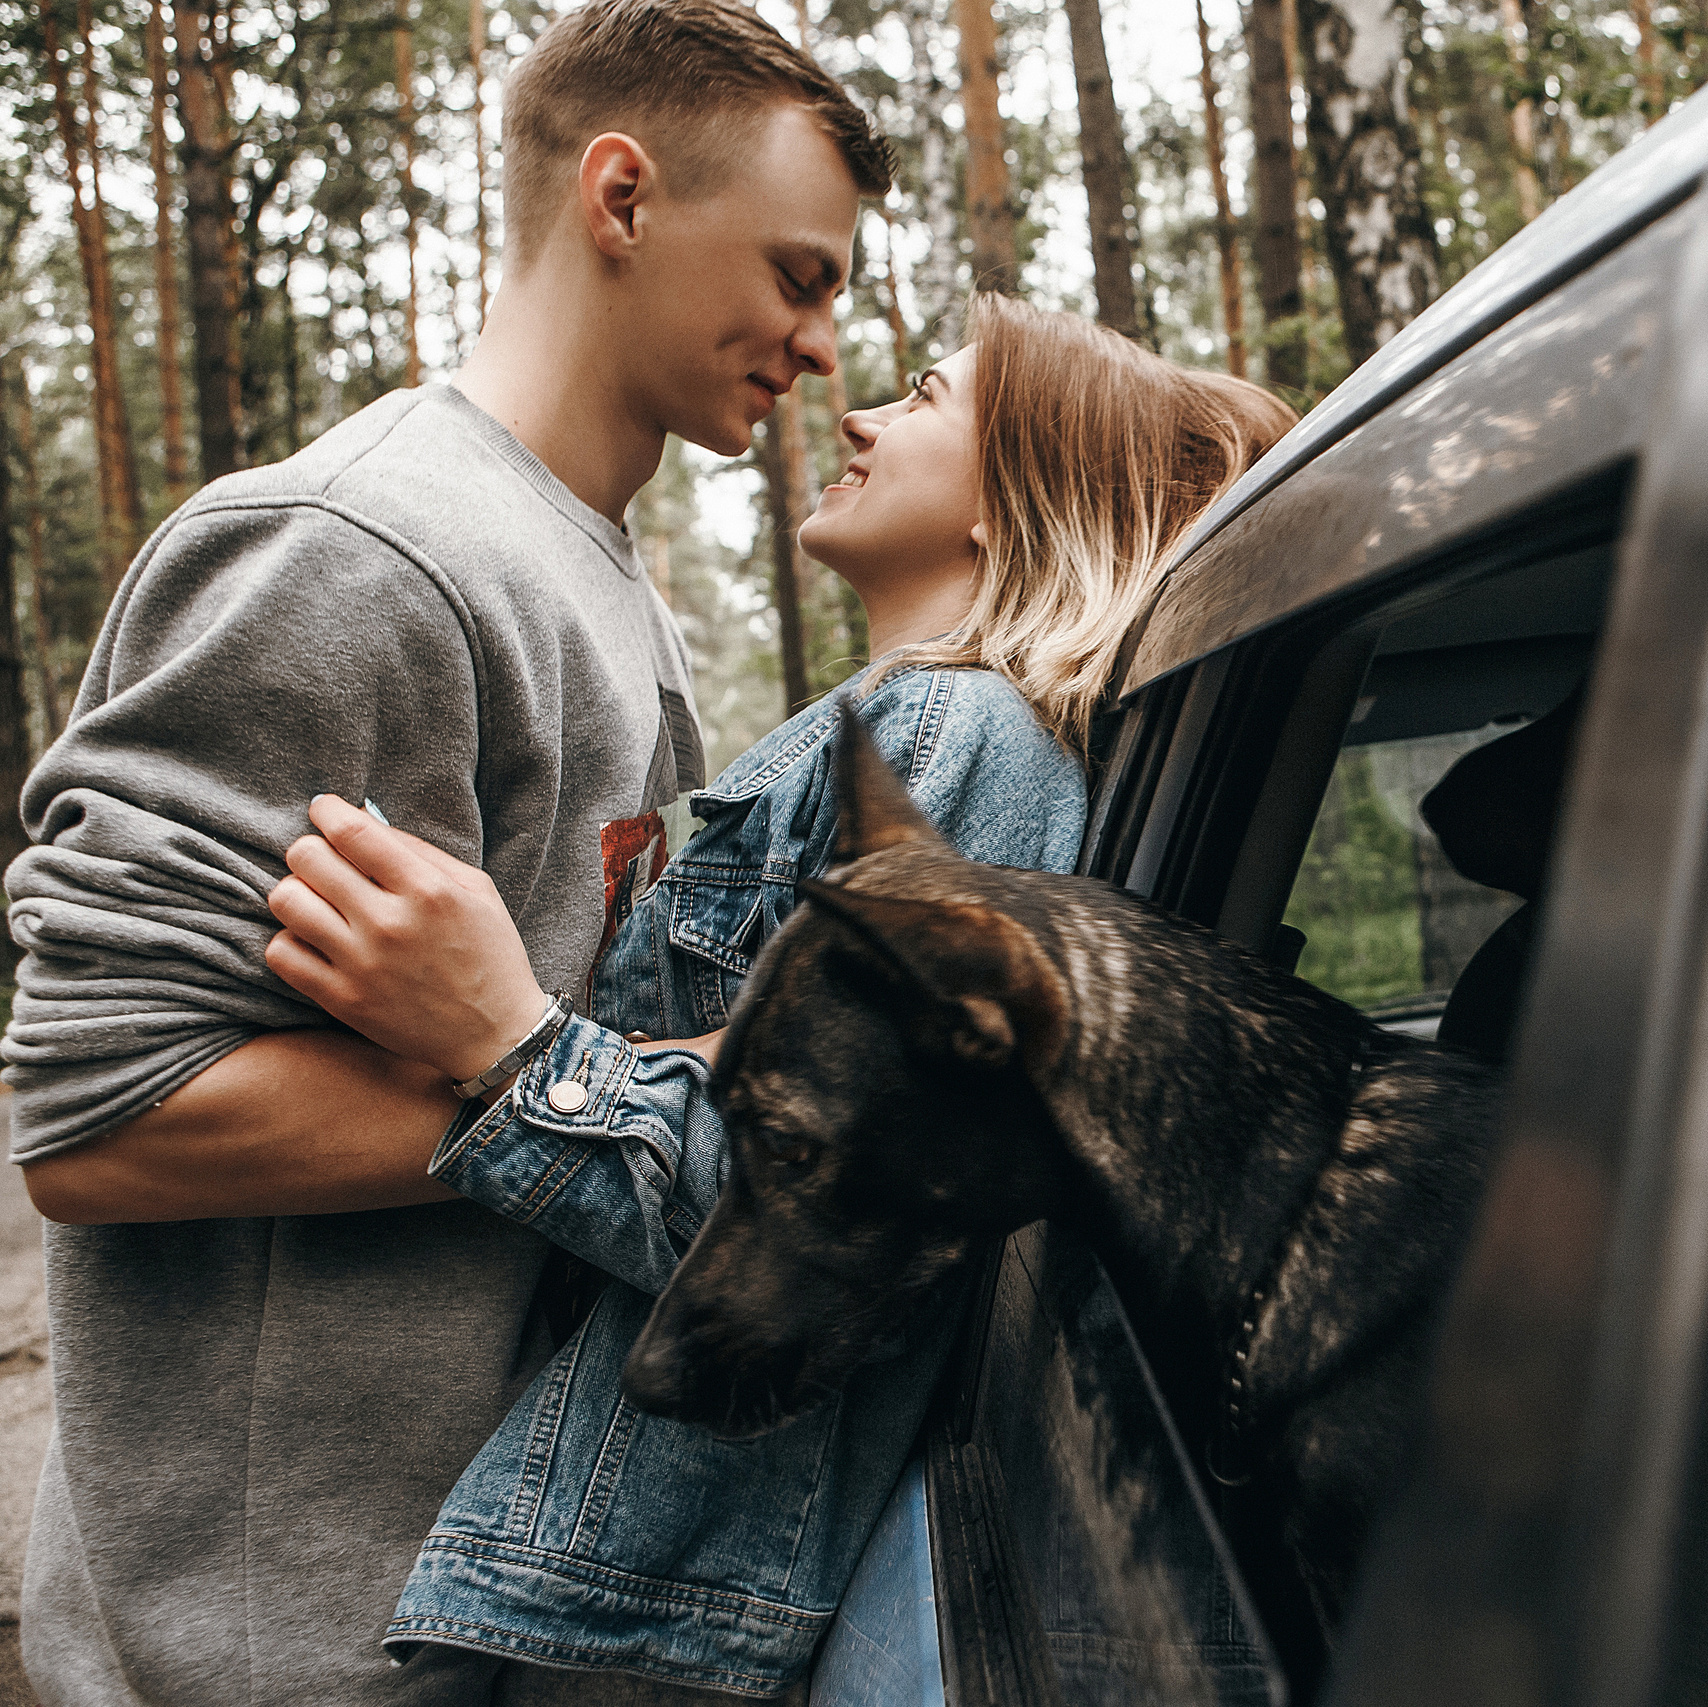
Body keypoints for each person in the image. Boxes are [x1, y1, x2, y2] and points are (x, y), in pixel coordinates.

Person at [0, 2, 890, 1701]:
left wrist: (582, 1071)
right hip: (286, 1650)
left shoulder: (602, 580)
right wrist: (599, 1082)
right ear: (619, 198)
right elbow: (97, 1121)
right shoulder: (359, 549)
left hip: (474, 1611)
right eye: (798, 273)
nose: (821, 341)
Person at [259, 295, 1298, 1699]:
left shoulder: (964, 739)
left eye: (927, 396)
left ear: (1016, 499)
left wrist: (505, 1042)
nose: (861, 412)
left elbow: (832, 1220)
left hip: (668, 1576)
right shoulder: (912, 729)